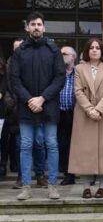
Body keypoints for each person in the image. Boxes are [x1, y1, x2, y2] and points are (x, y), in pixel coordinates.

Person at [9, 11, 65, 200]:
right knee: (25, 146)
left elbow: (60, 78)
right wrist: (30, 100)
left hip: (48, 106)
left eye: (39, 24)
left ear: (44, 27)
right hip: (26, 107)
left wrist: (42, 98)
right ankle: (26, 187)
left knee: (51, 144)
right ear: (27, 27)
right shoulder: (19, 52)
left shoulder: (54, 50)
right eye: (32, 24)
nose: (36, 27)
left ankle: (52, 186)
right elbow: (14, 80)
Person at [68, 38, 103, 198]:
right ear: (87, 50)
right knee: (84, 150)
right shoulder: (79, 68)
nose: (94, 50)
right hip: (84, 114)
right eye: (91, 47)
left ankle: (102, 187)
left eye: (97, 47)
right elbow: (78, 91)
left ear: (102, 51)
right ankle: (85, 187)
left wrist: (98, 109)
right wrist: (90, 109)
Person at [58, 46, 77, 185]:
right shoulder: (57, 73)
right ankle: (68, 174)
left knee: (79, 145)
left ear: (73, 57)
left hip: (76, 113)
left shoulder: (80, 72)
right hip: (59, 113)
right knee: (63, 145)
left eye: (64, 54)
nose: (62, 56)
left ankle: (89, 173)